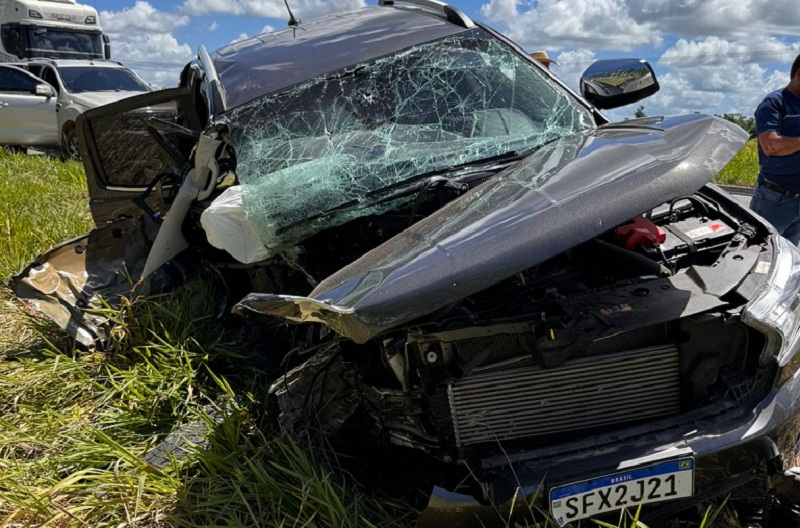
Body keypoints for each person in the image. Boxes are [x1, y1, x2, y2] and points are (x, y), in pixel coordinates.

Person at [750, 53, 800, 244]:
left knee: (788, 259)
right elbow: (771, 146)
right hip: (774, 199)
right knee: (758, 253)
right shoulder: (774, 103)